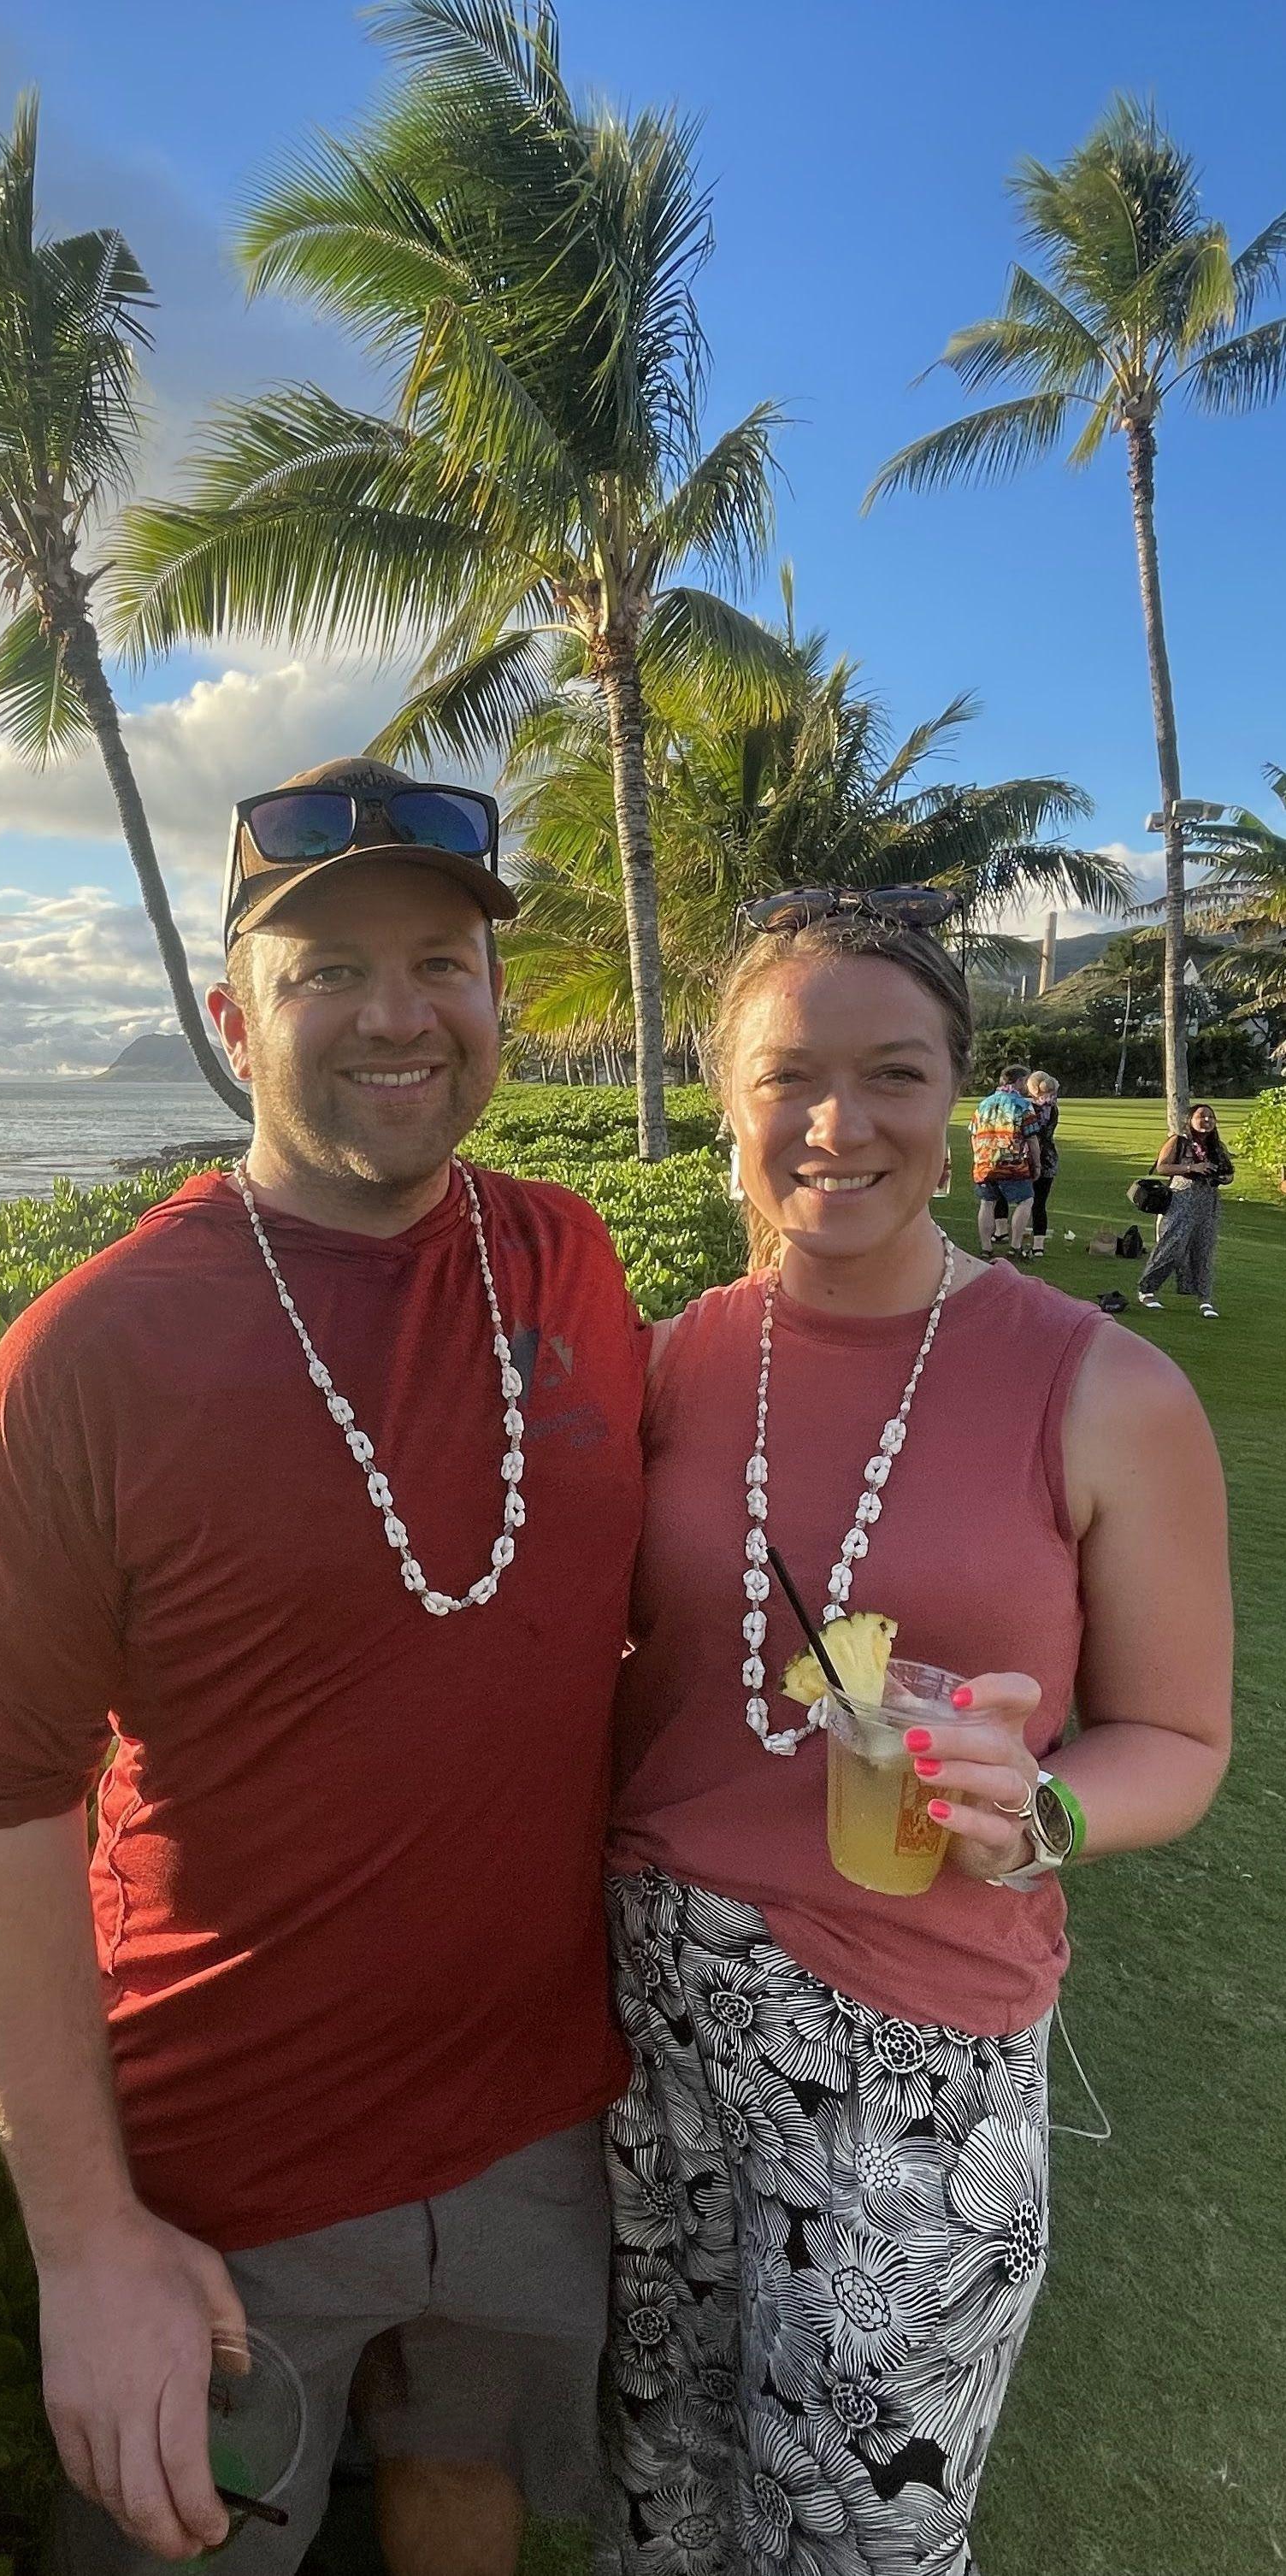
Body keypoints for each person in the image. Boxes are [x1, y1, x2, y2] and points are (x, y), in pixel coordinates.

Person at [0, 756, 650, 2576]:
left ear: (498, 1003)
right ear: (234, 1017)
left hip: (535, 2114)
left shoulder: (566, 1255)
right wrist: (85, 2246)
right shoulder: (87, 1358)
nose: (393, 1016)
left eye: (437, 963)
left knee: (459, 2481)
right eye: (325, 972)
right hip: (216, 2171)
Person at [599, 898, 1234, 2574]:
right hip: (646, 2024)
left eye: (892, 1072)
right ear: (724, 1095)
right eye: (787, 1074)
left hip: (914, 2053)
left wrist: (1043, 1810)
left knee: (860, 2533)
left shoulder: (1100, 1389)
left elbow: (1174, 1736)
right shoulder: (667, 1367)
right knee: (667, 2474)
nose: (837, 1122)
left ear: (958, 1101)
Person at [1137, 1102, 1236, 1317]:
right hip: (1181, 1200)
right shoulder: (1179, 1141)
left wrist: (1223, 1176)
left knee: (1203, 1250)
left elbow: (1229, 1173)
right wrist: (1192, 1168)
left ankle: (1204, 1299)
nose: (1207, 1120)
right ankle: (1147, 1290)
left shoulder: (1217, 1146)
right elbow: (1162, 1167)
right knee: (1172, 1246)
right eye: (1202, 1116)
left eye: (1211, 1117)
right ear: (1190, 1120)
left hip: (1208, 1202)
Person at [966, 1062, 1039, 1258]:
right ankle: (1015, 1246)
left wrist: (979, 1159)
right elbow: (1032, 1138)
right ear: (1021, 1081)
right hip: (1011, 1163)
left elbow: (973, 1134)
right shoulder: (1023, 1105)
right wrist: (1036, 1165)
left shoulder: (983, 1104)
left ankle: (985, 1248)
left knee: (987, 1203)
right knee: (1026, 1201)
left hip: (984, 1163)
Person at [1023, 1069, 1062, 1256]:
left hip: (1027, 1157)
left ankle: (1014, 1240)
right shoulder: (1052, 1108)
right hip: (1049, 1157)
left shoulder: (1026, 1108)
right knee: (1040, 1203)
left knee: (1024, 1201)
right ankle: (1038, 1244)